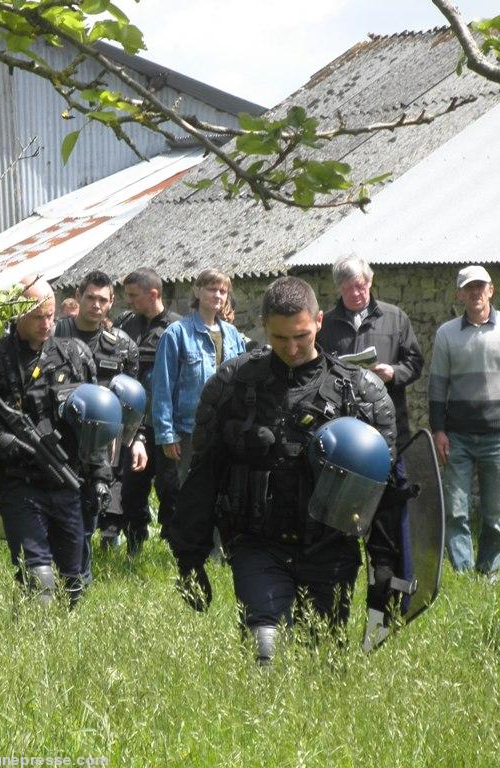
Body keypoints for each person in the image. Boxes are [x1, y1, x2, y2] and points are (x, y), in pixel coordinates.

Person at [167, 276, 398, 663]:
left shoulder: (362, 394)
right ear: (263, 326)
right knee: (264, 646)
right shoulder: (232, 386)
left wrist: (387, 566)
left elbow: (386, 491)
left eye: (301, 336)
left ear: (319, 322)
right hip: (257, 543)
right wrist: (189, 556)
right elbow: (203, 476)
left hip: (331, 548)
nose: (291, 348)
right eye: (279, 338)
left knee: (322, 659)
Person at [0, 278, 113, 606]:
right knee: (39, 577)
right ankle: (29, 643)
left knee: (73, 584)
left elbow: (95, 426)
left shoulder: (73, 356)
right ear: (16, 315)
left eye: (50, 315)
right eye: (37, 317)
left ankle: (59, 648)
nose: (46, 324)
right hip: (19, 482)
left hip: (67, 483)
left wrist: (101, 478)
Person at [428, 265, 500, 580]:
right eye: (468, 288)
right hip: (457, 435)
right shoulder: (447, 333)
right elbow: (437, 387)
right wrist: (438, 430)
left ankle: (488, 571)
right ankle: (463, 574)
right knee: (455, 509)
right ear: (459, 294)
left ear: (491, 290)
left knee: (494, 513)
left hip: (499, 436)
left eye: (481, 287)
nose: (475, 293)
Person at [54, 270, 142, 571]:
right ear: (78, 297)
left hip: (101, 443)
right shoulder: (54, 333)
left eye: (102, 300)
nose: (96, 305)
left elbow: (131, 398)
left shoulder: (123, 346)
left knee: (93, 504)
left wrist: (136, 438)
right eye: (90, 297)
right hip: (58, 434)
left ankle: (79, 576)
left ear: (111, 302)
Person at [151, 268, 247, 488]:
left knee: (223, 491)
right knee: (190, 494)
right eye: (212, 289)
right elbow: (162, 387)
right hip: (188, 431)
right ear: (196, 291)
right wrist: (167, 434)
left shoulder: (233, 335)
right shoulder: (176, 334)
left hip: (226, 429)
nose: (218, 295)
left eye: (223, 291)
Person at [317, 256, 423, 447]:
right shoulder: (325, 325)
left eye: (360, 286)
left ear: (370, 281)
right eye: (347, 288)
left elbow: (415, 363)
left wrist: (394, 373)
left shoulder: (395, 318)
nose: (355, 293)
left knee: (396, 476)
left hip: (388, 422)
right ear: (338, 288)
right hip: (342, 425)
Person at [113, 268, 181, 553]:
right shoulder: (125, 326)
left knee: (170, 489)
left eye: (133, 295)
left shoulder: (178, 329)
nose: (128, 301)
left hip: (166, 425)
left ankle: (174, 548)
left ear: (153, 294)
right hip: (132, 426)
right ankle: (135, 543)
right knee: (131, 490)